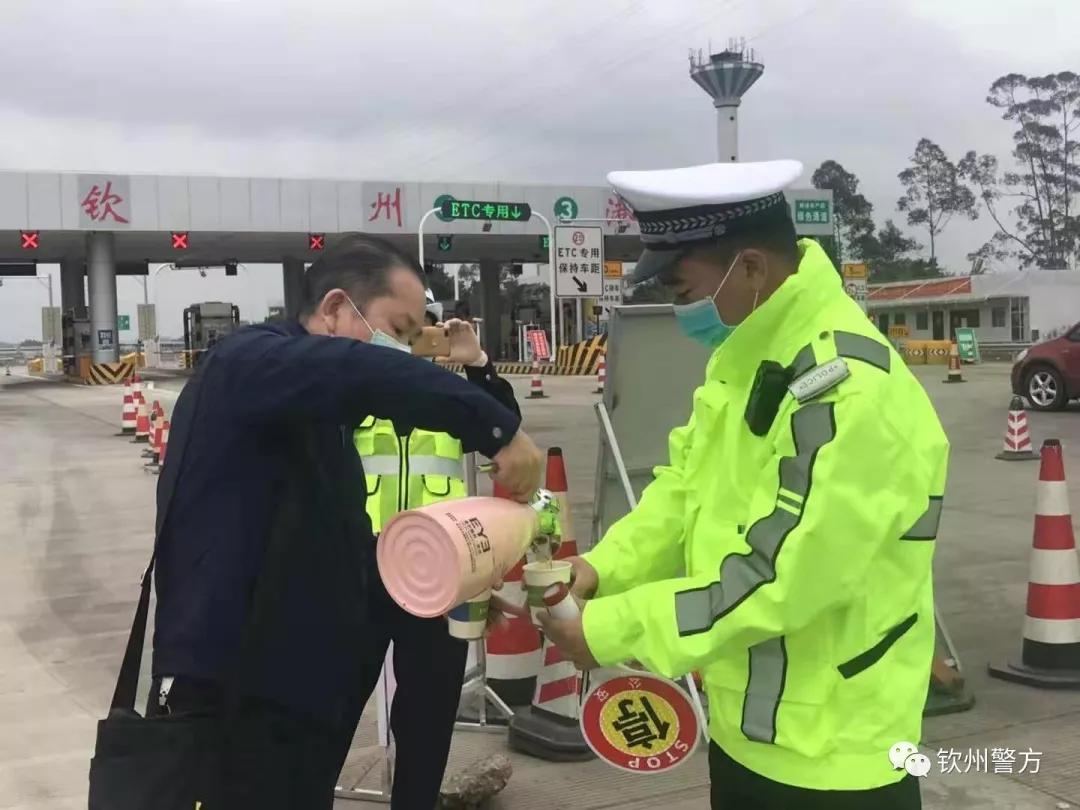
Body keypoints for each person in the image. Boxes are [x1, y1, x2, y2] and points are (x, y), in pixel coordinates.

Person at [540, 160, 949, 810]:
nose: (679, 310)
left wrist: (613, 626)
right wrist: (599, 569)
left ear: (752, 269)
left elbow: (780, 578)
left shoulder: (848, 390)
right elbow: (684, 490)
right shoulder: (748, 357)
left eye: (683, 289)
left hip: (832, 759)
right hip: (745, 731)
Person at [147, 234, 542, 808]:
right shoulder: (248, 362)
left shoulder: (320, 417)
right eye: (398, 330)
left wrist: (451, 576)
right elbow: (355, 370)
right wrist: (495, 428)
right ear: (334, 309)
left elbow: (340, 536)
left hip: (292, 687)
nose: (404, 351)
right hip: (231, 696)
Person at [352, 290, 520, 806]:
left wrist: (479, 367)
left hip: (440, 574)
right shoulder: (345, 392)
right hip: (357, 569)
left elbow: (504, 430)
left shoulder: (449, 397)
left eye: (418, 326)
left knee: (427, 709)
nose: (409, 336)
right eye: (398, 325)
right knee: (332, 701)